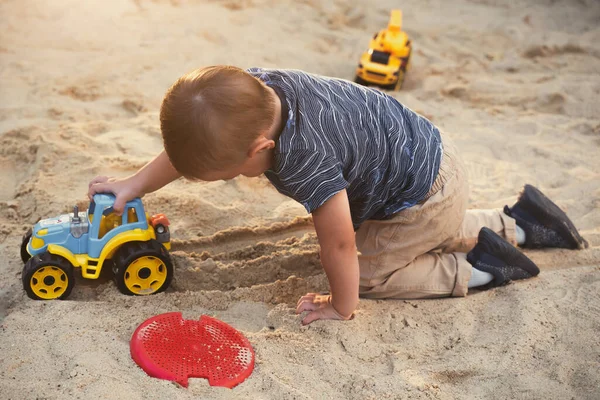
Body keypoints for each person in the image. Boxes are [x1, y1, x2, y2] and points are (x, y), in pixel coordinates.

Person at [88, 66, 588, 325]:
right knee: (422, 222)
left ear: (262, 148)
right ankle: (519, 220)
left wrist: (340, 305)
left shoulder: (304, 157)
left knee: (369, 273)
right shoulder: (250, 91)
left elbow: (341, 245)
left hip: (419, 198)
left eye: (226, 175)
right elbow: (195, 144)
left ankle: (481, 267)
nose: (228, 180)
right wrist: (134, 184)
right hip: (431, 160)